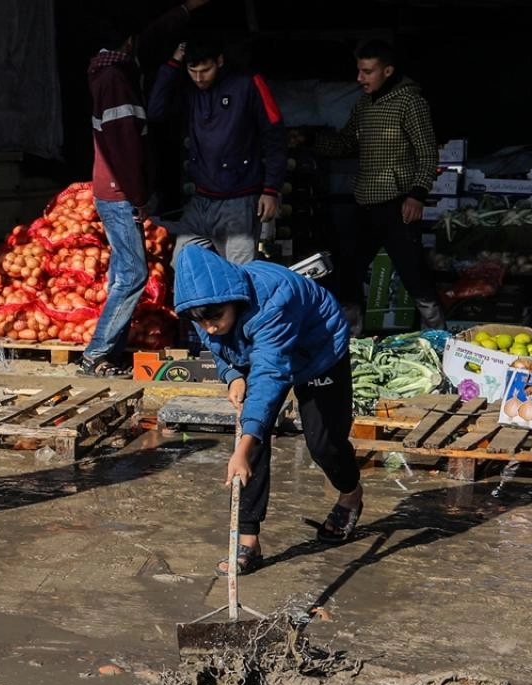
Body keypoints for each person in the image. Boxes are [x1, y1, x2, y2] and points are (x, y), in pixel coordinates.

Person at [173, 244, 362, 575]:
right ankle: (248, 540)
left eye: (215, 318)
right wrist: (232, 375)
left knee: (323, 443)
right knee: (253, 438)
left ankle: (350, 493)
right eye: (200, 321)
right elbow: (216, 344)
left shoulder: (274, 301)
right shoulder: (208, 309)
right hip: (257, 349)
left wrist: (242, 448)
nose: (210, 327)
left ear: (233, 299)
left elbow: (270, 374)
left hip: (317, 349)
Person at [78, 1, 209, 378]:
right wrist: (137, 197)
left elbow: (151, 36)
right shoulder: (115, 81)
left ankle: (110, 350)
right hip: (119, 192)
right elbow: (123, 147)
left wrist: (184, 10)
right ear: (129, 42)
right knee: (134, 274)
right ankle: (96, 354)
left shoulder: (111, 67)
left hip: (114, 189)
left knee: (123, 272)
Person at [314, 39, 445, 334]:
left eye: (367, 72)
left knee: (414, 274)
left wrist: (417, 195)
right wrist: (310, 141)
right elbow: (346, 143)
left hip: (399, 204)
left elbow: (427, 153)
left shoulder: (410, 102)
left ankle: (438, 336)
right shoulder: (364, 105)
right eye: (359, 70)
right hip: (365, 202)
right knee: (348, 270)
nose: (360, 78)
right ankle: (350, 337)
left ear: (387, 71)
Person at [147, 33, 287, 265]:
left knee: (240, 272)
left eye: (205, 70)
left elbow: (275, 136)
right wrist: (173, 63)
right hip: (201, 200)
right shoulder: (188, 88)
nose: (199, 78)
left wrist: (271, 189)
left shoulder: (248, 83)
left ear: (219, 61)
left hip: (241, 200)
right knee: (181, 266)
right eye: (193, 70)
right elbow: (155, 111)